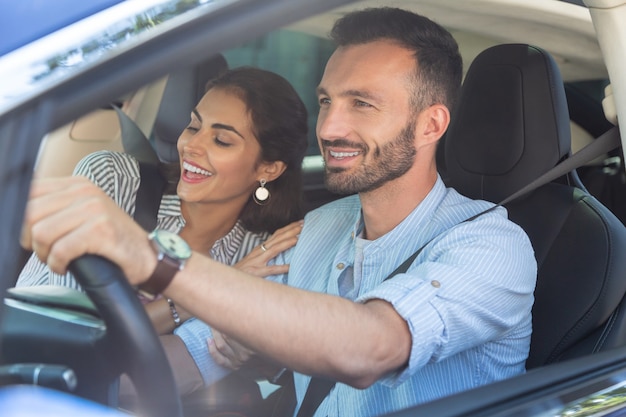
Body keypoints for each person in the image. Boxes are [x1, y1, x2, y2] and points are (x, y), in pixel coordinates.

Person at [21, 7, 538, 417]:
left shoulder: (491, 246)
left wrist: (155, 258)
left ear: (430, 126)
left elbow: (370, 348)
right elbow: (192, 359)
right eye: (327, 100)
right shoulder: (317, 230)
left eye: (362, 104)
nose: (330, 127)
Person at [17, 66, 309, 398]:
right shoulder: (113, 180)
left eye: (221, 140)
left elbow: (264, 364)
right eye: (194, 126)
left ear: (267, 168)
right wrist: (217, 289)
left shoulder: (261, 253)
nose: (192, 146)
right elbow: (69, 338)